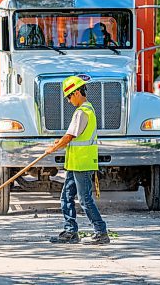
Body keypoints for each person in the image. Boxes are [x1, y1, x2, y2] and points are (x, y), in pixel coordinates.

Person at [46, 76, 110, 244]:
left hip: (82, 163)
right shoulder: (85, 110)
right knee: (66, 196)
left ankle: (101, 231)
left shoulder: (82, 112)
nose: (68, 101)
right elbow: (73, 137)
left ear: (76, 92)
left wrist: (55, 147)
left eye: (68, 96)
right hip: (75, 164)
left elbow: (70, 136)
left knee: (84, 199)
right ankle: (70, 232)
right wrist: (59, 142)